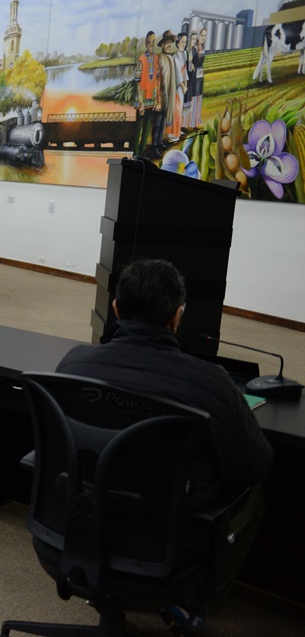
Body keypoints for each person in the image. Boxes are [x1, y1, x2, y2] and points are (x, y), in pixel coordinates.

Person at [56, 258, 272, 635]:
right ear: (177, 317)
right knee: (251, 497)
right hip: (166, 557)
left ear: (116, 309)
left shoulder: (74, 364)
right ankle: (199, 596)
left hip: (69, 537)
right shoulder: (211, 384)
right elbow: (255, 466)